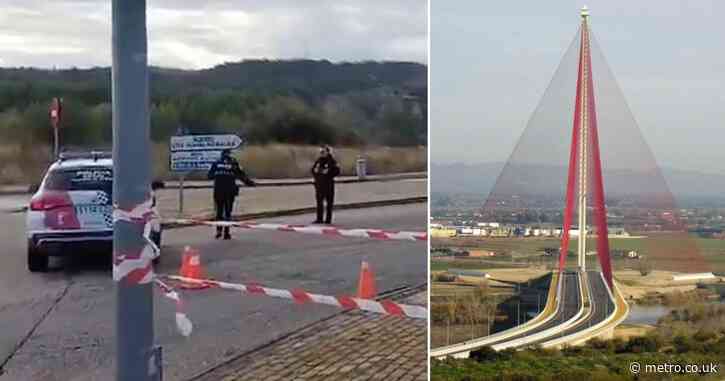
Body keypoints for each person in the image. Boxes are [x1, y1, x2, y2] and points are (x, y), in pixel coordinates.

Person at [208, 149, 255, 239]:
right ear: (229, 155)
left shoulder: (216, 163)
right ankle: (226, 233)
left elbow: (209, 176)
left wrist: (219, 175)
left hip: (218, 191)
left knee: (219, 212)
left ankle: (218, 231)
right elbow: (242, 176)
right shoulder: (233, 163)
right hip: (230, 191)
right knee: (228, 212)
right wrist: (251, 183)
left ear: (222, 155)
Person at [311, 145, 340, 224]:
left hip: (328, 185)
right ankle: (319, 218)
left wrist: (328, 174)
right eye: (320, 152)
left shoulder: (332, 161)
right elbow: (313, 170)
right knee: (319, 202)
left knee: (329, 203)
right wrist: (318, 175)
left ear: (327, 152)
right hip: (319, 185)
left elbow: (336, 171)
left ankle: (328, 219)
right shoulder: (318, 160)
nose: (321, 153)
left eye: (323, 152)